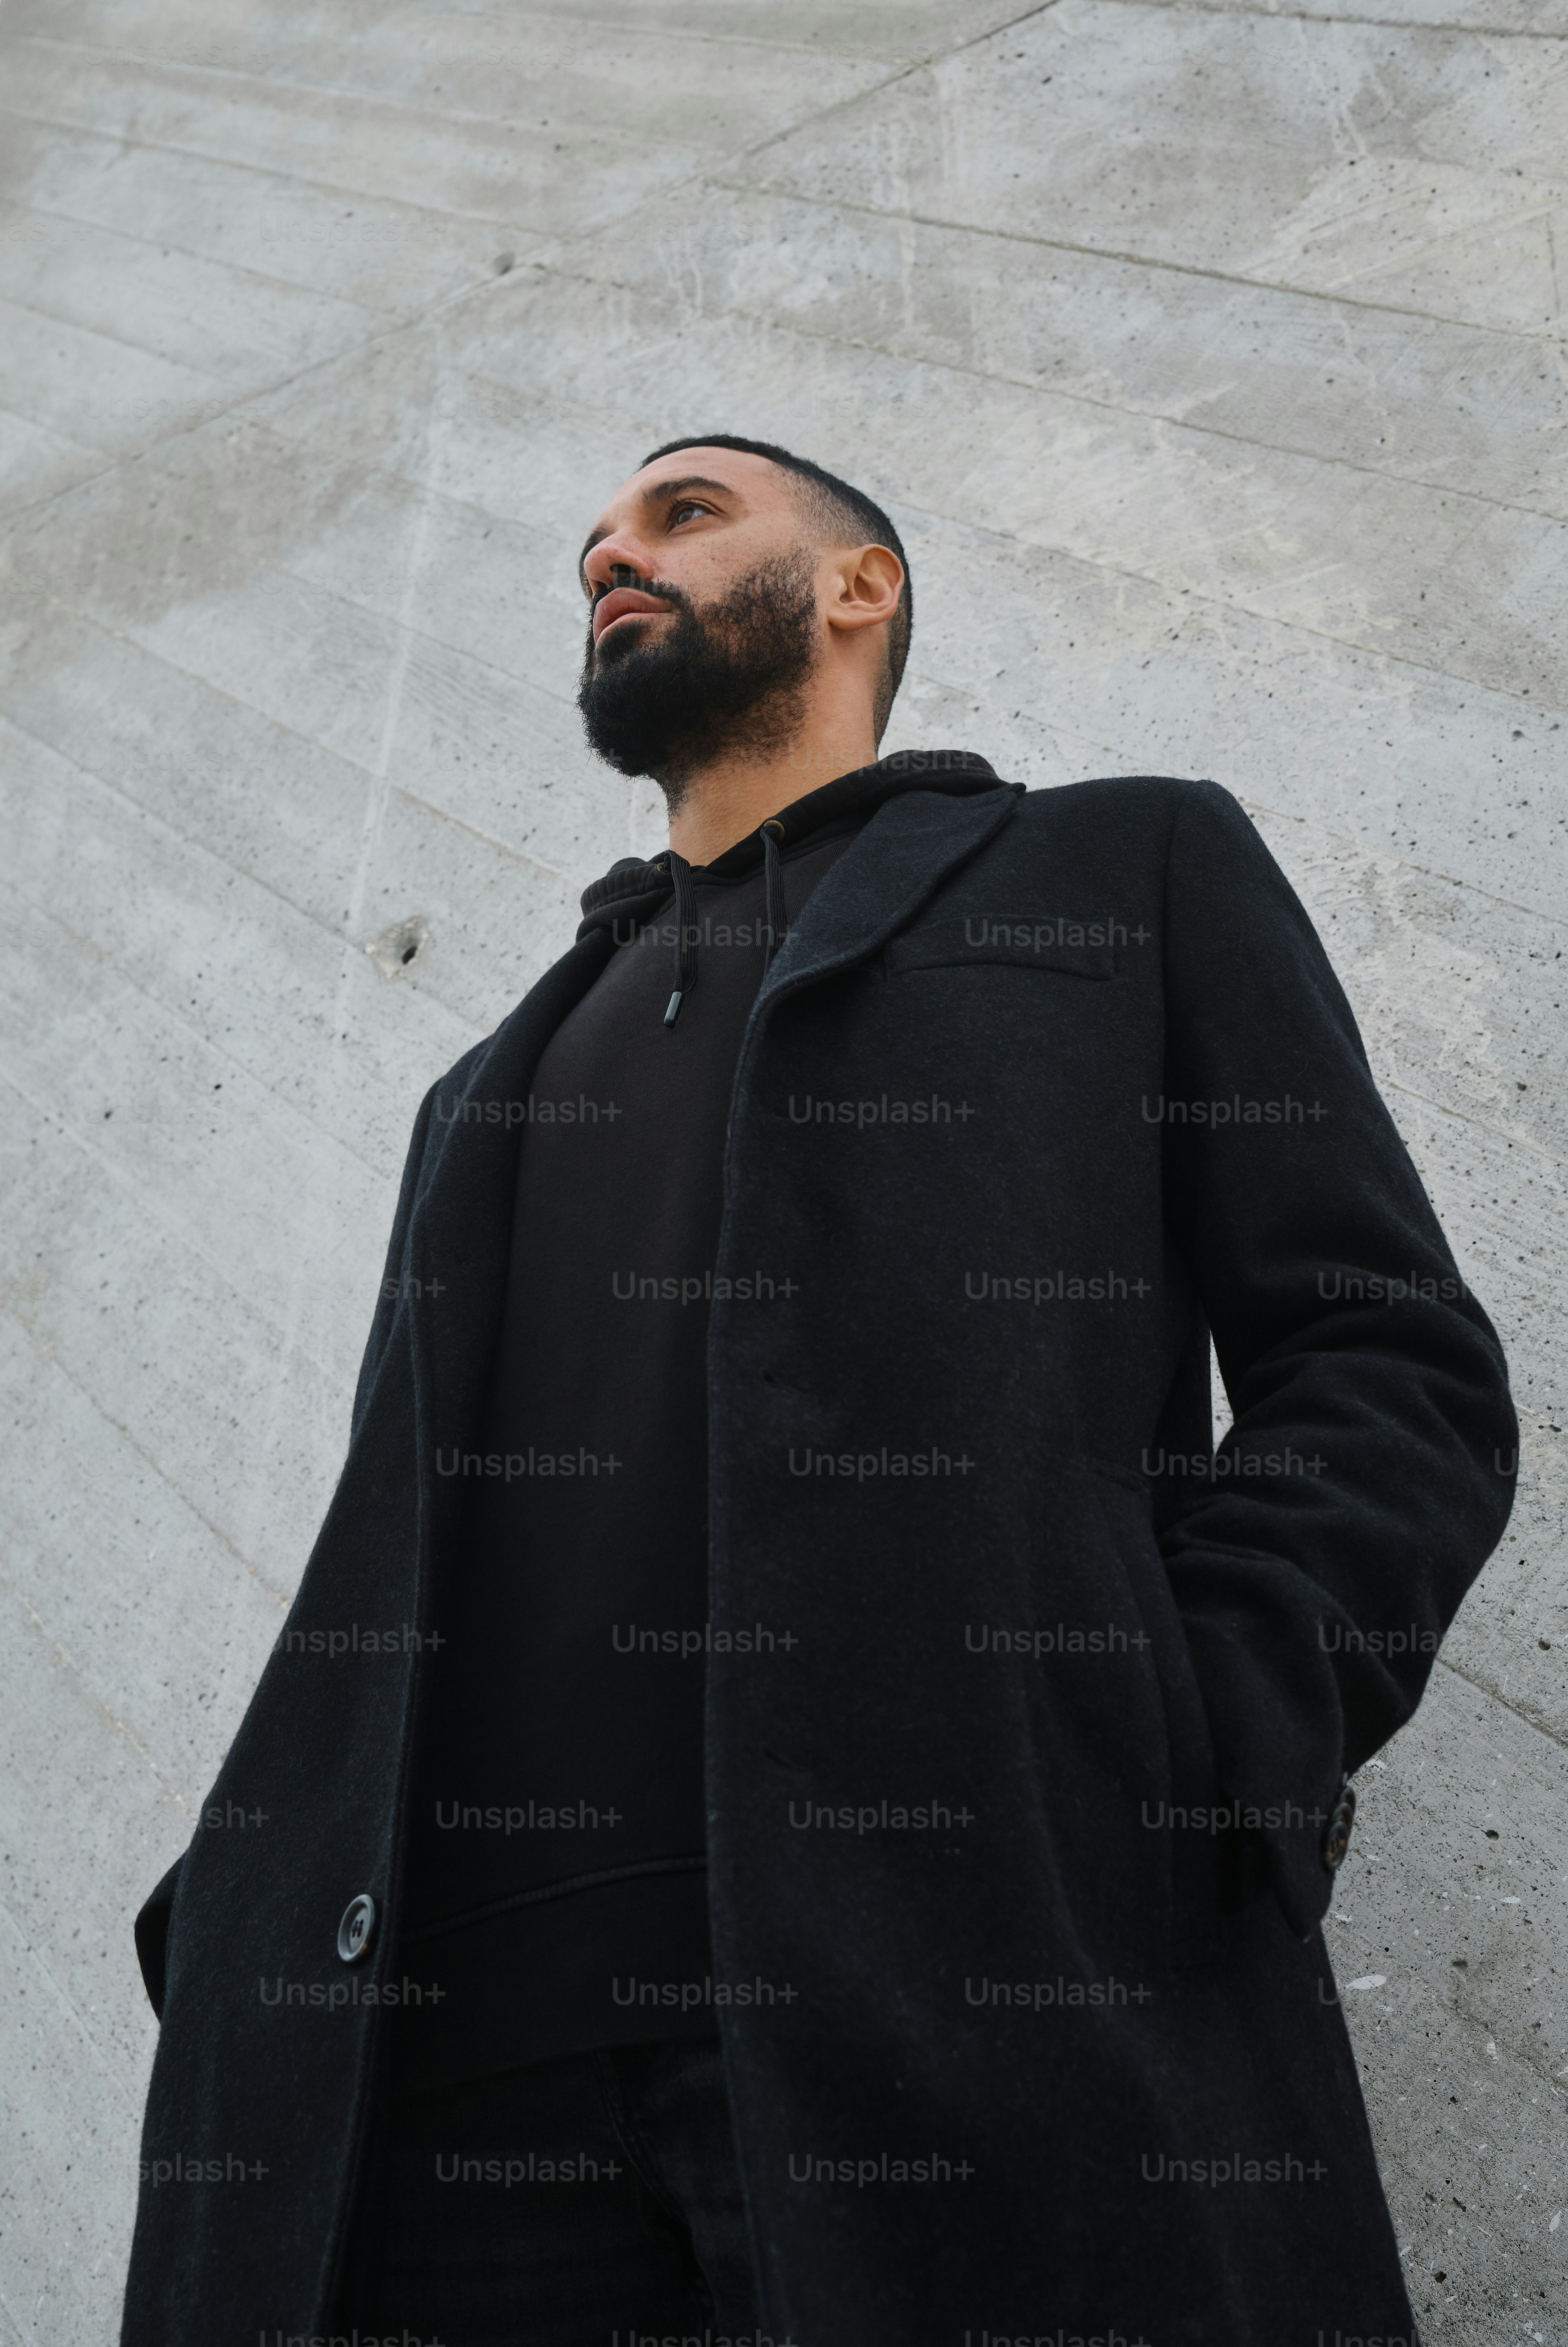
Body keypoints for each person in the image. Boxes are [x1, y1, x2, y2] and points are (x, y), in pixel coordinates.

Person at [122, 435, 1515, 2347]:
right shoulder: (482, 1084)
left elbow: (1379, 1352)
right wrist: (236, 1912)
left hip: (953, 2011)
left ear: (860, 585)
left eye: (684, 513)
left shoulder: (1116, 869)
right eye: (592, 542)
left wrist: (1177, 1740)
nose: (611, 554)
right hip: (420, 2102)